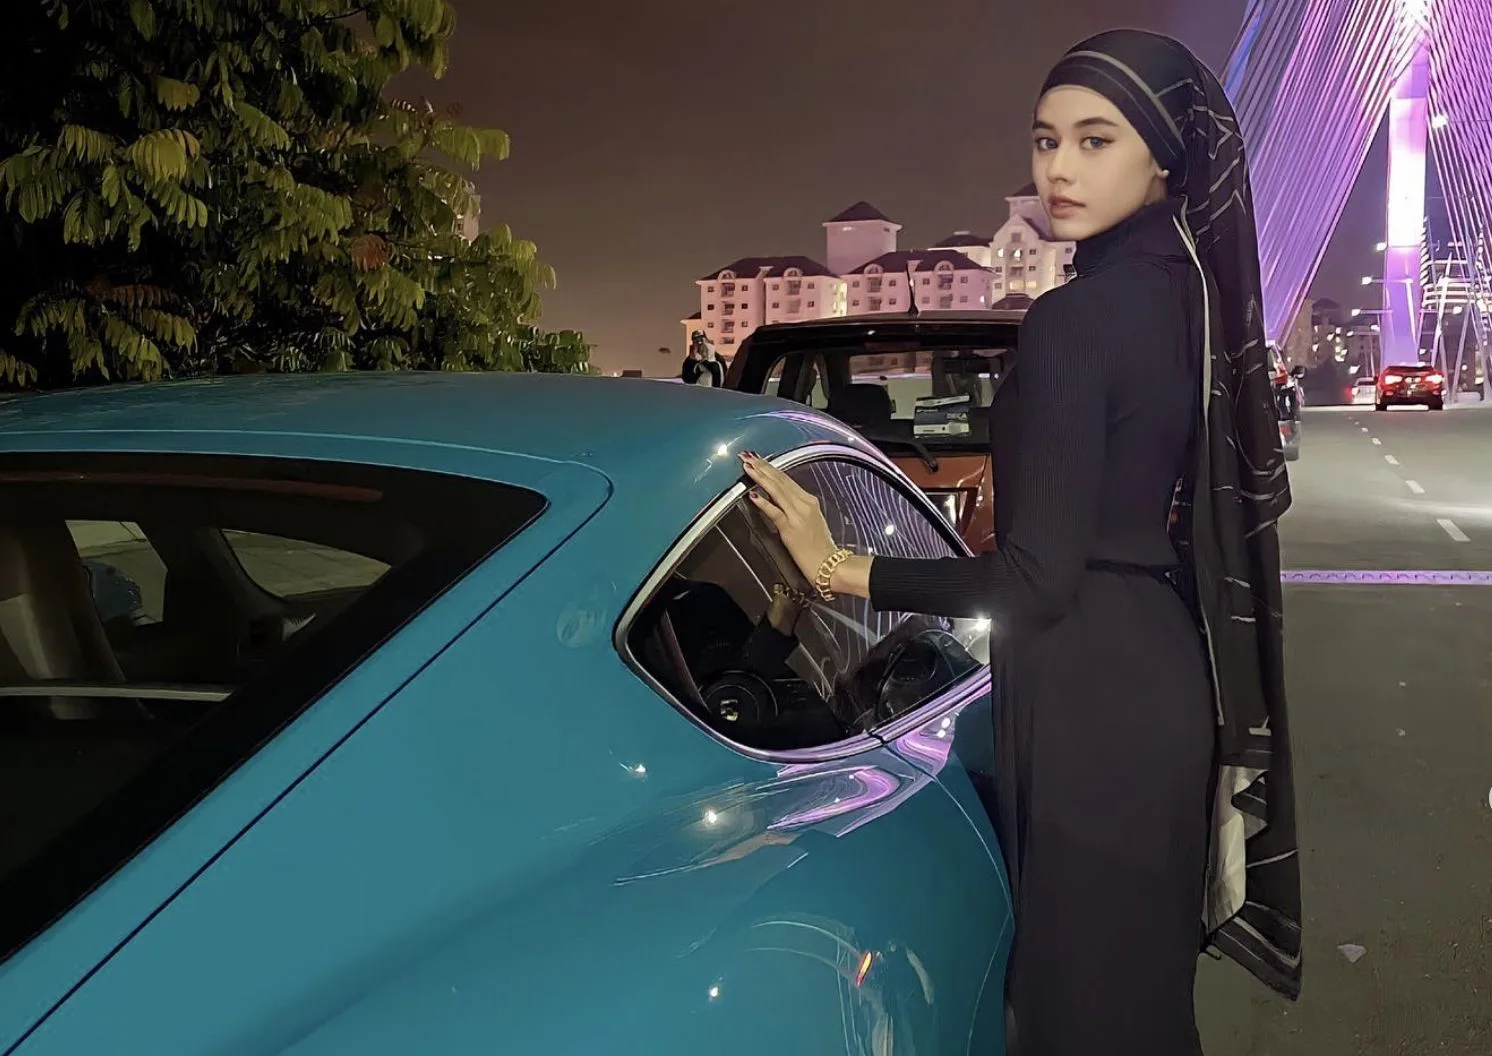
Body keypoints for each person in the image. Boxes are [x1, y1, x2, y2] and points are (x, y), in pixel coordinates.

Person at [739, 28, 1302, 1055]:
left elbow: (1035, 580)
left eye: (1095, 139)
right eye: (1046, 140)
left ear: (1163, 156)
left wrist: (836, 565)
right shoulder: (1191, 300)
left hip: (1090, 693)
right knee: (1136, 999)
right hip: (1161, 664)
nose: (1058, 170)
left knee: (1076, 1008)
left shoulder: (1076, 319)